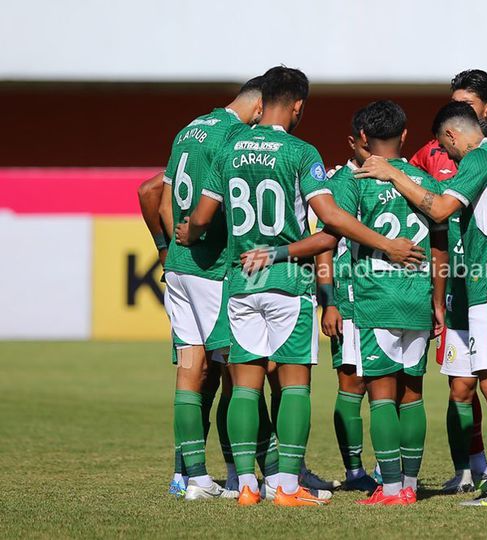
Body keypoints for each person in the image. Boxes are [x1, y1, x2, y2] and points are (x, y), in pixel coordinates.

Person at [175, 66, 423, 507]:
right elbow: (330, 220)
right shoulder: (300, 151)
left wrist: (188, 234)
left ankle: (246, 485)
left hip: (240, 281)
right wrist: (386, 244)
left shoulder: (227, 149)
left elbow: (201, 217)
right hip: (287, 283)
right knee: (294, 387)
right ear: (297, 106)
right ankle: (287, 486)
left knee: (246, 386)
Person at [356, 101, 487, 507]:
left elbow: (439, 208)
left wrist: (392, 172)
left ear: (453, 136)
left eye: (444, 146)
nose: (448, 156)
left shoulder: (480, 157)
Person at [329, 100, 443, 506]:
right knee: (412, 394)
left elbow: (331, 230)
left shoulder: (353, 178)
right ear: (405, 136)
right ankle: (410, 485)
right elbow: (441, 238)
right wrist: (436, 297)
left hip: (373, 298)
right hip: (416, 298)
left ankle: (391, 488)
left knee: (380, 394)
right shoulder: (421, 180)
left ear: (361, 138)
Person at [158, 75, 265, 500]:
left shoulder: (189, 128)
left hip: (181, 268)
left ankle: (192, 479)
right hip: (212, 270)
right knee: (239, 373)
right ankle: (248, 478)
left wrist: (176, 246)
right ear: (258, 109)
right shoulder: (236, 136)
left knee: (191, 370)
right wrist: (199, 240)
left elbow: (162, 199)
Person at [410, 69, 487, 493]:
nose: (457, 112)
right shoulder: (431, 153)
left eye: (467, 104)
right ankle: (468, 468)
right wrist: (436, 294)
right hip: (456, 281)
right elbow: (423, 216)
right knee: (459, 386)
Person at [314, 106, 379, 492]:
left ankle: (395, 472)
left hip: (389, 296)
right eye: (361, 141)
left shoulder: (400, 178)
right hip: (351, 299)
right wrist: (330, 302)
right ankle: (355, 471)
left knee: (392, 385)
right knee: (352, 384)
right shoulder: (338, 181)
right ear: (354, 143)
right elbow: (325, 246)